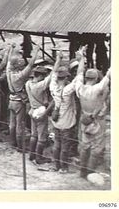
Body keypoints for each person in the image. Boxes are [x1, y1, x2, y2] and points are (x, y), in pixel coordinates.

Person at [75, 49, 110, 179]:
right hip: (96, 119)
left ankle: (82, 170)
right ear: (95, 78)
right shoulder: (96, 89)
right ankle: (90, 171)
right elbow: (107, 77)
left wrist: (81, 59)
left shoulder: (80, 88)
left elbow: (79, 73)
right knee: (97, 147)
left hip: (85, 118)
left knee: (84, 145)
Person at [6, 44, 40, 151]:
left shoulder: (8, 72)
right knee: (19, 125)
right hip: (19, 102)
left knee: (12, 124)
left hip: (11, 100)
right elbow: (30, 65)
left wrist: (11, 50)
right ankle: (20, 146)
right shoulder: (19, 76)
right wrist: (36, 52)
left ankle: (12, 142)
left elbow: (8, 61)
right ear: (18, 65)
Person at [49, 51, 78, 173]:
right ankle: (63, 167)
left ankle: (56, 165)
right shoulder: (67, 90)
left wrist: (58, 59)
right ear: (66, 77)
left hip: (56, 122)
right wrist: (81, 59)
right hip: (67, 123)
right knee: (65, 147)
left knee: (57, 145)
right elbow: (79, 77)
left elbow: (53, 74)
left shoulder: (53, 87)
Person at [25, 65, 52, 164]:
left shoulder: (28, 84)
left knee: (33, 134)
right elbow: (50, 77)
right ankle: (39, 158)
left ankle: (31, 154)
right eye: (43, 75)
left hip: (32, 111)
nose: (44, 77)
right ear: (40, 76)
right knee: (42, 136)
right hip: (40, 112)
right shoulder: (40, 86)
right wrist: (57, 61)